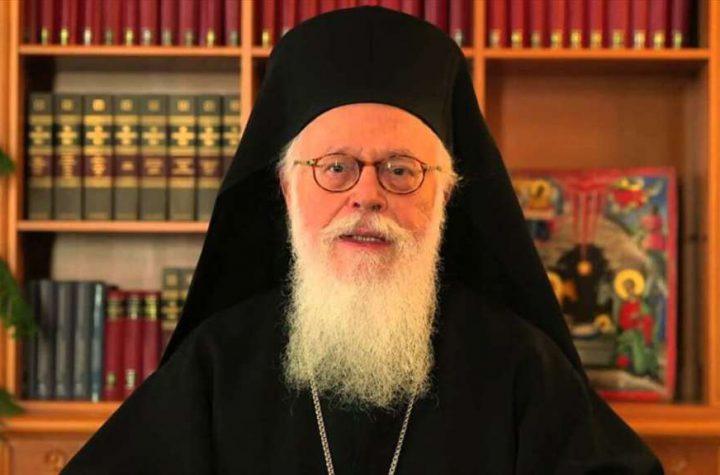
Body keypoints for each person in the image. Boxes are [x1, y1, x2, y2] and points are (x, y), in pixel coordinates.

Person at [62, 6, 663, 474]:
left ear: (446, 194)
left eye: (401, 170)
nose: (367, 196)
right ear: (287, 189)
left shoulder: (518, 366)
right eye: (335, 167)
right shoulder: (218, 365)